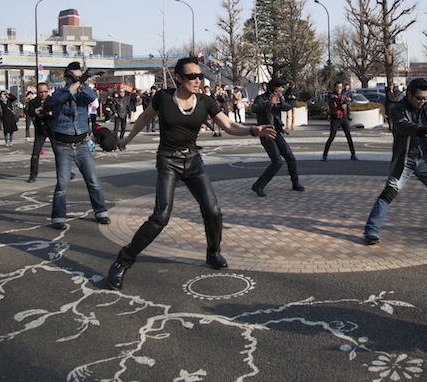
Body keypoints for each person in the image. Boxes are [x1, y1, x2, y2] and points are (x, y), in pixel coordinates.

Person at [105, 56, 276, 290]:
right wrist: (127, 139)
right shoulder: (163, 98)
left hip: (193, 160)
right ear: (178, 78)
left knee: (213, 211)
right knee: (161, 216)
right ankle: (123, 261)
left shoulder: (205, 101)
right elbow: (145, 118)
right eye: (192, 76)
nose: (197, 80)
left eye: (199, 76)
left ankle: (213, 253)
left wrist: (253, 130)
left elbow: (228, 125)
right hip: (168, 160)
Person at [363, 78, 427, 243]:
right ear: (409, 94)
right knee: (389, 192)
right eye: (419, 98)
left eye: (425, 98)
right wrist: (422, 129)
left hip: (425, 158)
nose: (422, 101)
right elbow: (403, 126)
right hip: (405, 159)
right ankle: (371, 230)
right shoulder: (398, 109)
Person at [49, 62, 111, 230]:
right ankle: (58, 217)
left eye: (79, 76)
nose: (78, 80)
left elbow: (91, 97)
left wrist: (83, 82)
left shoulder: (83, 93)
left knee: (93, 181)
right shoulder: (60, 92)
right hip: (63, 146)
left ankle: (101, 212)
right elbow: (60, 98)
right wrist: (78, 81)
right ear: (67, 78)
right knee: (62, 184)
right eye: (75, 77)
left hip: (82, 145)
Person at [251, 78, 305, 197]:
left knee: (290, 157)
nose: (279, 93)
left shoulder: (279, 98)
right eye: (277, 91)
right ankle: (258, 185)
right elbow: (254, 108)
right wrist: (268, 103)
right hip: (266, 133)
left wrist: (280, 102)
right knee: (277, 162)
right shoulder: (261, 98)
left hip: (277, 132)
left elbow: (287, 107)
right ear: (271, 90)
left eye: (280, 91)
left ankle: (295, 183)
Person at [25, 82, 55, 183]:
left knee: (59, 153)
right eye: (41, 92)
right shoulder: (33, 102)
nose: (43, 94)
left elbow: (58, 112)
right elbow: (29, 112)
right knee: (35, 153)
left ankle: (67, 172)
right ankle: (33, 175)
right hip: (40, 130)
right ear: (37, 92)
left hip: (52, 129)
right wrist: (37, 111)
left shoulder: (52, 100)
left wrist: (50, 113)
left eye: (45, 91)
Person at [322, 81, 358, 161]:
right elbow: (333, 98)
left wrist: (346, 101)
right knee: (332, 136)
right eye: (338, 87)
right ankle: (325, 155)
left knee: (348, 136)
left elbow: (348, 100)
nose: (339, 89)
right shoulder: (331, 95)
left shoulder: (343, 95)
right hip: (335, 118)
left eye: (341, 88)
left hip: (343, 117)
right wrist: (343, 100)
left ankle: (353, 154)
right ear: (334, 87)